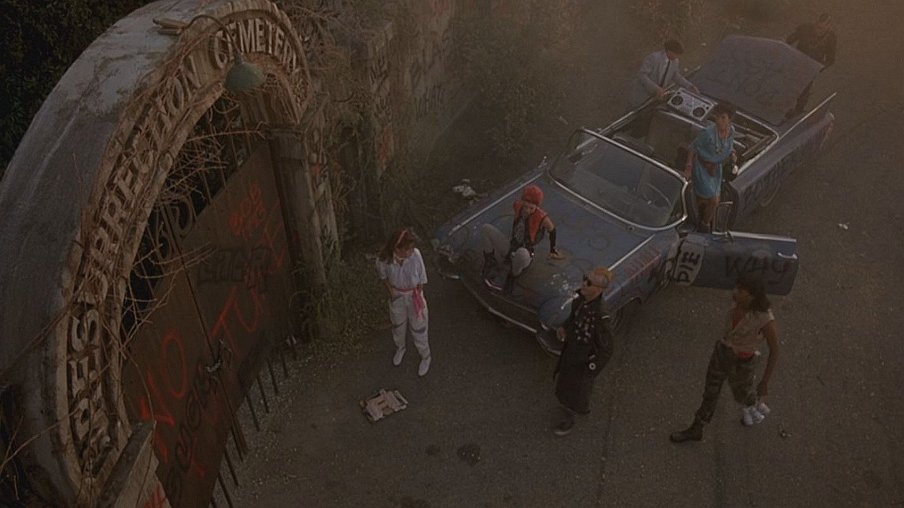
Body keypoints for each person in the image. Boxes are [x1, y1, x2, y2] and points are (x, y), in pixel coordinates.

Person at [670, 274, 780, 443]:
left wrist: (765, 382)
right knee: (710, 393)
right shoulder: (737, 303)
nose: (734, 292)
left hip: (742, 364)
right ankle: (697, 428)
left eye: (740, 290)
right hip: (721, 354)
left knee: (742, 395)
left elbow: (774, 350)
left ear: (752, 295)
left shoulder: (764, 319)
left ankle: (754, 406)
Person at [552, 267, 614, 436]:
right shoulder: (580, 301)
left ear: (599, 290)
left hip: (583, 360)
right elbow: (573, 319)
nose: (584, 284)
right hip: (572, 350)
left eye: (589, 282)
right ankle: (569, 405)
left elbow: (607, 349)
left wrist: (590, 369)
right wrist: (564, 328)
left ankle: (570, 418)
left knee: (577, 391)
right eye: (585, 278)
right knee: (565, 381)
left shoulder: (601, 316)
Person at [479, 184, 565, 292]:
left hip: (526, 252)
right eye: (525, 206)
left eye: (531, 208)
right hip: (511, 246)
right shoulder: (517, 205)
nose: (527, 210)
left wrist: (552, 249)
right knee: (486, 228)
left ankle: (512, 276)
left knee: (521, 254)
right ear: (522, 202)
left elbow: (552, 230)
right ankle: (490, 262)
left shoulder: (542, 217)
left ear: (537, 207)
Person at [376, 228, 432, 377]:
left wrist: (418, 298)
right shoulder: (383, 260)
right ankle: (400, 348)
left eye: (412, 248)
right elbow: (383, 277)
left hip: (414, 295)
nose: (410, 252)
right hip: (397, 296)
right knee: (398, 326)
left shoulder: (416, 255)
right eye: (407, 249)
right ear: (396, 247)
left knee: (419, 328)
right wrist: (392, 292)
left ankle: (425, 356)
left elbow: (422, 277)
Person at [683, 102, 737, 232]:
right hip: (702, 168)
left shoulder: (731, 131)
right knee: (714, 200)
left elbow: (729, 146)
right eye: (718, 117)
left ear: (730, 119)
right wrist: (688, 167)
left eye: (723, 118)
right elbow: (692, 148)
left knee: (707, 199)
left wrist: (732, 154)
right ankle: (705, 225)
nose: (719, 121)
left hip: (716, 170)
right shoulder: (708, 133)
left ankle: (699, 216)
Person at [786, 13, 837, 117]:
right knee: (788, 85)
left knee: (803, 91)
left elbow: (830, 59)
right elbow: (789, 40)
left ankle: (797, 113)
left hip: (811, 69)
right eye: (818, 27)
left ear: (829, 27)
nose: (819, 31)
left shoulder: (831, 38)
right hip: (797, 62)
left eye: (822, 29)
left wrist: (819, 67)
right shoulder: (805, 29)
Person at [626, 40, 700, 110]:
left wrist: (689, 86)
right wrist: (656, 88)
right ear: (669, 51)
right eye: (676, 54)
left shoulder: (675, 62)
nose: (677, 57)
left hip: (655, 98)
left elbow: (676, 76)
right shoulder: (654, 58)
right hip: (641, 96)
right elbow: (642, 75)